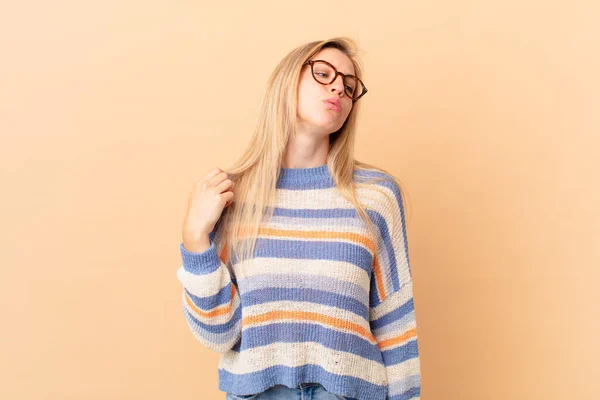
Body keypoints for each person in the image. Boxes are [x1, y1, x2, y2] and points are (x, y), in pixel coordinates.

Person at [177, 37, 422, 400]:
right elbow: (219, 334)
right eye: (323, 74)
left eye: (350, 86)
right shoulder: (233, 197)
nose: (339, 86)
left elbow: (395, 320)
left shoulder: (376, 196)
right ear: (286, 84)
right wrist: (195, 237)